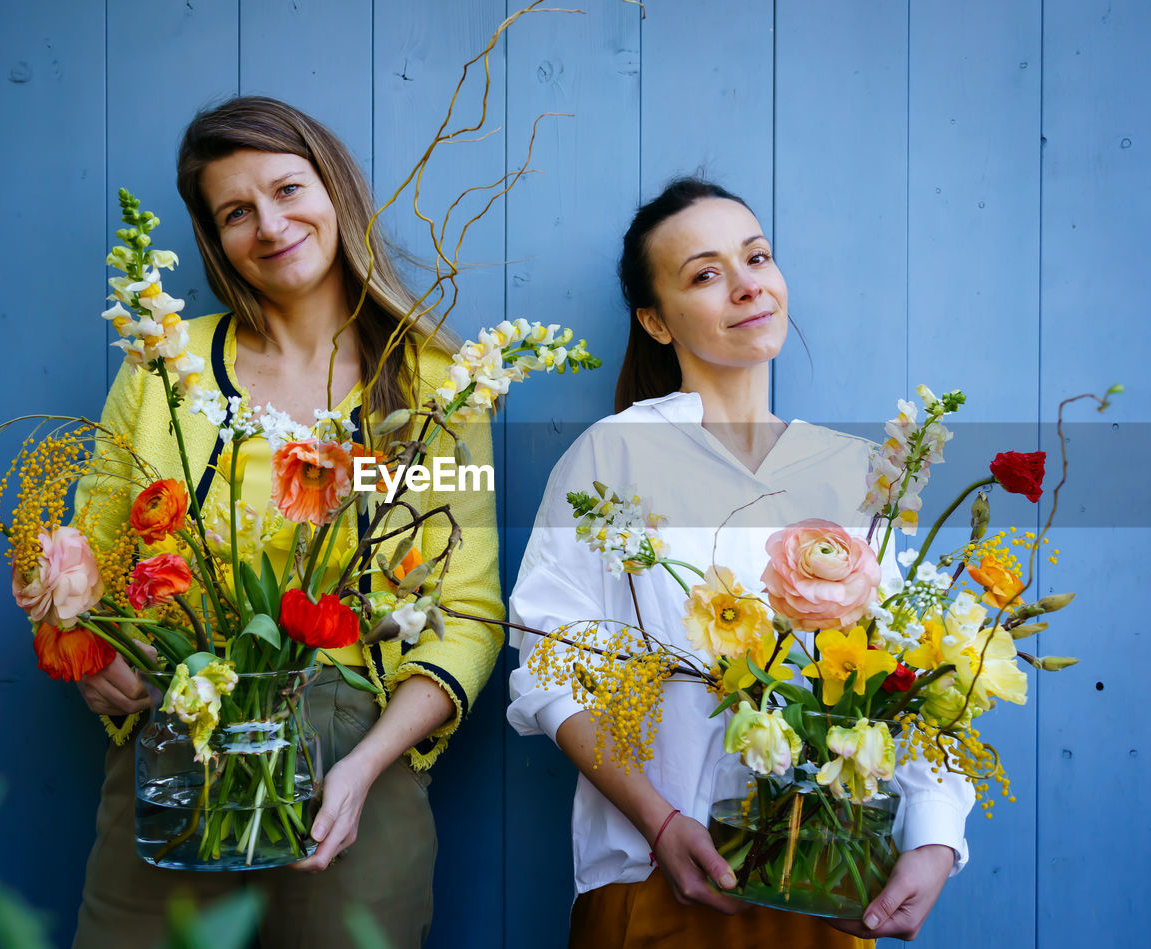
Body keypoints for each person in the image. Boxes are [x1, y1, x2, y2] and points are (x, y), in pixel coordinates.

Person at [70, 96, 503, 949]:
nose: (269, 225)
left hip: (354, 755)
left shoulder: (438, 382)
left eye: (287, 189)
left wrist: (364, 765)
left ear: (334, 189)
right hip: (173, 741)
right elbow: (85, 556)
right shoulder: (164, 364)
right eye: (236, 212)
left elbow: (468, 610)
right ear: (213, 240)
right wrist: (90, 646)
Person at [506, 178, 973, 947]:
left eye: (756, 255)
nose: (749, 281)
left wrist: (933, 837)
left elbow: (916, 673)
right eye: (705, 273)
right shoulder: (615, 455)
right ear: (655, 321)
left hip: (831, 875)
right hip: (664, 885)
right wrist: (659, 824)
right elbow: (551, 668)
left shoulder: (864, 471)